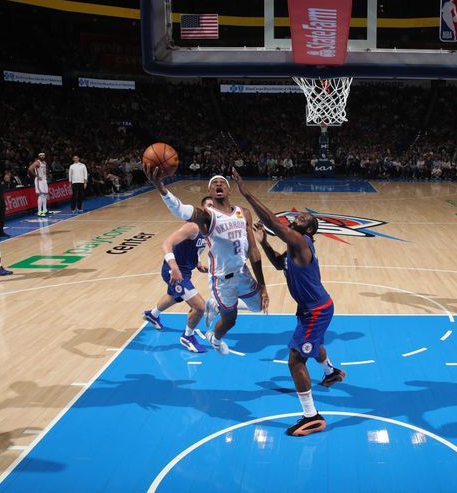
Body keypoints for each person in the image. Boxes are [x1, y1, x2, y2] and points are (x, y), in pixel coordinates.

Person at [232, 167, 344, 437]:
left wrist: (246, 193)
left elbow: (272, 220)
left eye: (304, 218)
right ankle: (331, 373)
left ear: (308, 229)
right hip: (313, 309)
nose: (299, 216)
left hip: (316, 310)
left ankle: (312, 416)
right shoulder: (294, 249)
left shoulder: (302, 242)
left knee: (295, 360)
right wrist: (265, 243)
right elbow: (279, 263)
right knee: (311, 344)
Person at [143, 166, 269, 355]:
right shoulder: (204, 218)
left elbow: (251, 250)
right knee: (222, 317)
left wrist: (262, 283)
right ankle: (197, 336)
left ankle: (156, 314)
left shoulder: (243, 213)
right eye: (214, 183)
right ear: (210, 192)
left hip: (241, 273)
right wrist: (161, 189)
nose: (218, 184)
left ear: (228, 189)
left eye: (222, 182)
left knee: (259, 306)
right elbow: (180, 210)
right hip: (215, 278)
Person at [142, 196, 214, 353]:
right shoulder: (193, 227)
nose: (212, 208)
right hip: (174, 271)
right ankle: (187, 336)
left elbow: (196, 248)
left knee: (175, 296)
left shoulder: (208, 229)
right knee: (200, 307)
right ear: (201, 209)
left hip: (185, 271)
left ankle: (152, 315)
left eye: (214, 206)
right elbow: (166, 244)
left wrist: (198, 263)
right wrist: (174, 267)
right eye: (209, 205)